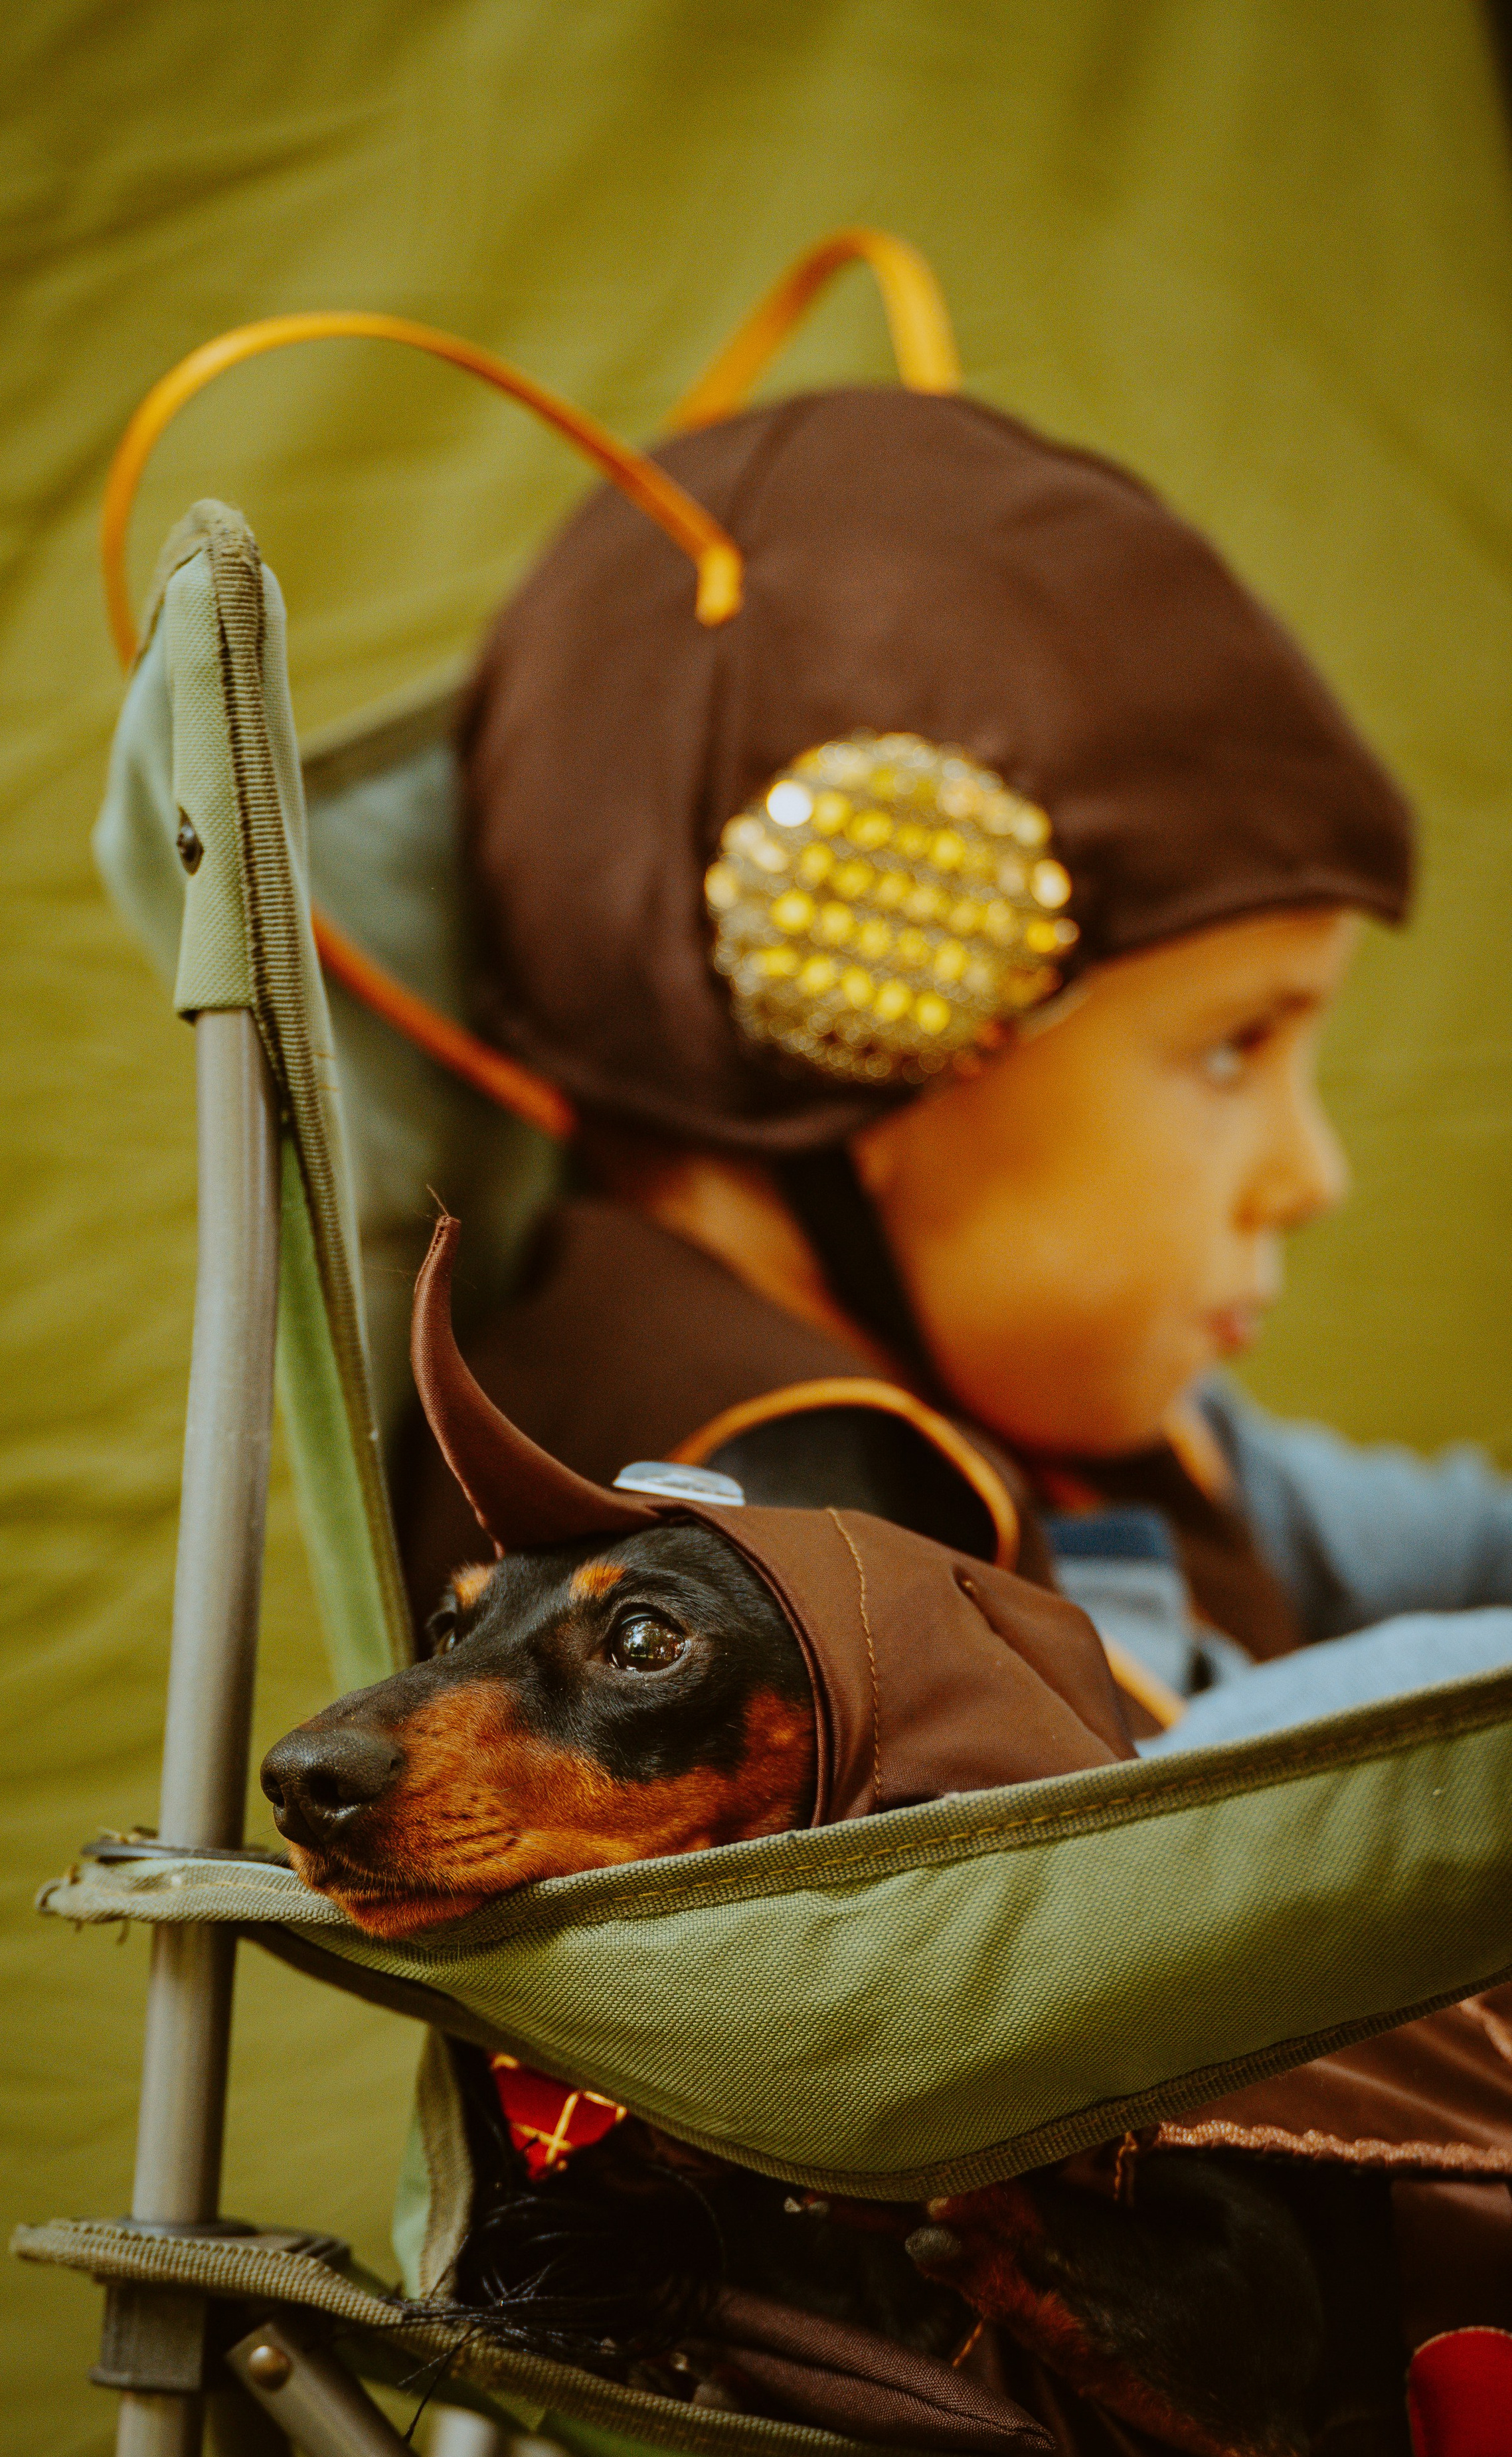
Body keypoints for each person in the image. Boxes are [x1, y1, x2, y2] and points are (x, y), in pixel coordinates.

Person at [398, 381, 1512, 1746]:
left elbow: (1442, 1541)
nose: (1308, 1171)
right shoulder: (711, 1508)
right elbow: (1129, 1833)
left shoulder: (1043, 1377)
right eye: (1231, 1050)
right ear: (865, 1046)